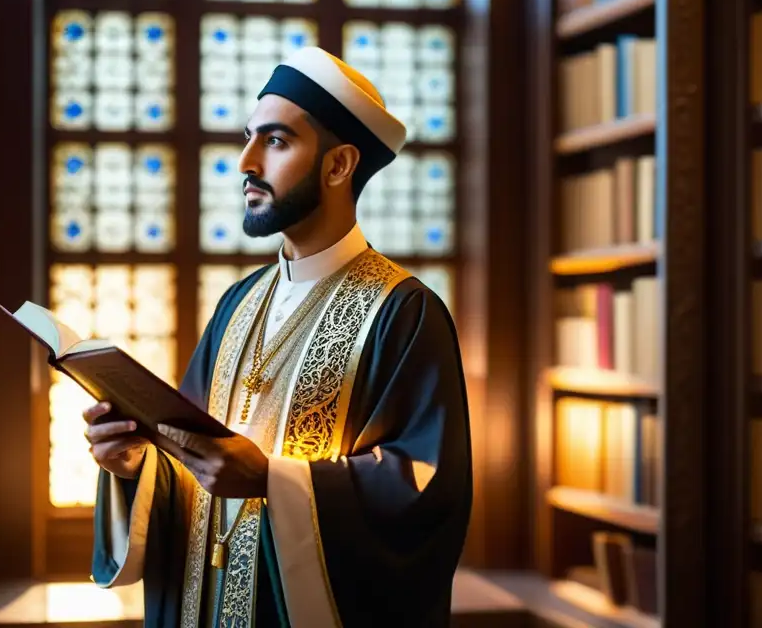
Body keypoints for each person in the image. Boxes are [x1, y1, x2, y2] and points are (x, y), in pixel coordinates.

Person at [82, 46, 473, 628]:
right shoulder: (237, 304)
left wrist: (272, 480)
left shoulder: (405, 312)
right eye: (247, 137)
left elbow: (422, 496)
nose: (245, 161)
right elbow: (187, 459)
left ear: (339, 165)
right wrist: (132, 463)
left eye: (276, 141)